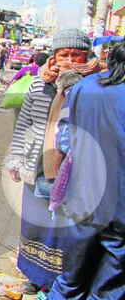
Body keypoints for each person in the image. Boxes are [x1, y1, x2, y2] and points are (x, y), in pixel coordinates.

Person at [6, 28, 105, 296]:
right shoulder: (40, 83)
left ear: (88, 55)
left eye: (77, 54)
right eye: (64, 54)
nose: (70, 60)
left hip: (76, 172)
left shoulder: (97, 85)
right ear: (54, 56)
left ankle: (63, 283)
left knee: (66, 232)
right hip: (37, 165)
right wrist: (15, 158)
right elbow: (24, 121)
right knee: (36, 226)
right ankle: (37, 278)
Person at [47, 41, 125, 300]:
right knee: (108, 286)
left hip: (83, 197)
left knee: (71, 278)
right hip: (120, 207)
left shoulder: (85, 86)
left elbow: (64, 137)